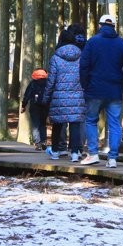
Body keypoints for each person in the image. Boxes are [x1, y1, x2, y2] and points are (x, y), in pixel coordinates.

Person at [79, 14, 123, 168]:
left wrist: (85, 84)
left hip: (94, 89)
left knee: (91, 120)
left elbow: (83, 66)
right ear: (113, 26)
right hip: (114, 90)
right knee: (114, 124)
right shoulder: (122, 44)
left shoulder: (92, 42)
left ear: (100, 26)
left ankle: (93, 154)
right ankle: (113, 158)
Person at [45, 29, 85, 162]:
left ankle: (55, 151)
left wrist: (46, 97)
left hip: (59, 97)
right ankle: (75, 153)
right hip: (77, 96)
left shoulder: (55, 58)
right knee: (75, 125)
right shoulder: (81, 56)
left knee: (57, 124)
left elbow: (51, 81)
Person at [21, 68, 50, 149]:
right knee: (43, 124)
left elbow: (27, 95)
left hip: (34, 106)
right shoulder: (48, 84)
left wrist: (24, 106)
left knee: (35, 125)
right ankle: (44, 142)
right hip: (45, 106)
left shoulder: (32, 83)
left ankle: (37, 143)